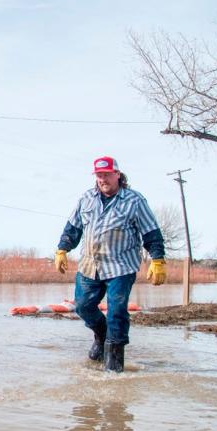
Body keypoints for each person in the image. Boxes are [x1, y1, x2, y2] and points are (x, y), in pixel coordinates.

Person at [54, 156, 166, 372]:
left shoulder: (134, 201)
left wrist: (158, 259)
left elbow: (151, 232)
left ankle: (114, 367)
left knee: (116, 312)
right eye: (99, 175)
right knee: (83, 306)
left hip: (120, 267)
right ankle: (101, 335)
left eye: (107, 174)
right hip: (89, 266)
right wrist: (62, 249)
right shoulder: (86, 199)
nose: (103, 179)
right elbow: (73, 228)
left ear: (117, 174)